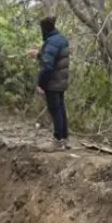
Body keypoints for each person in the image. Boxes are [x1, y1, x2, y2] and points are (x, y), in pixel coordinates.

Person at [28, 16, 71, 152]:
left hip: (53, 82)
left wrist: (41, 84)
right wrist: (39, 54)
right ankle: (65, 139)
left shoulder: (51, 41)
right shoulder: (61, 39)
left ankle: (57, 141)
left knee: (55, 110)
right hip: (61, 81)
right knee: (61, 110)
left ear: (45, 29)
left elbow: (47, 66)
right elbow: (52, 57)